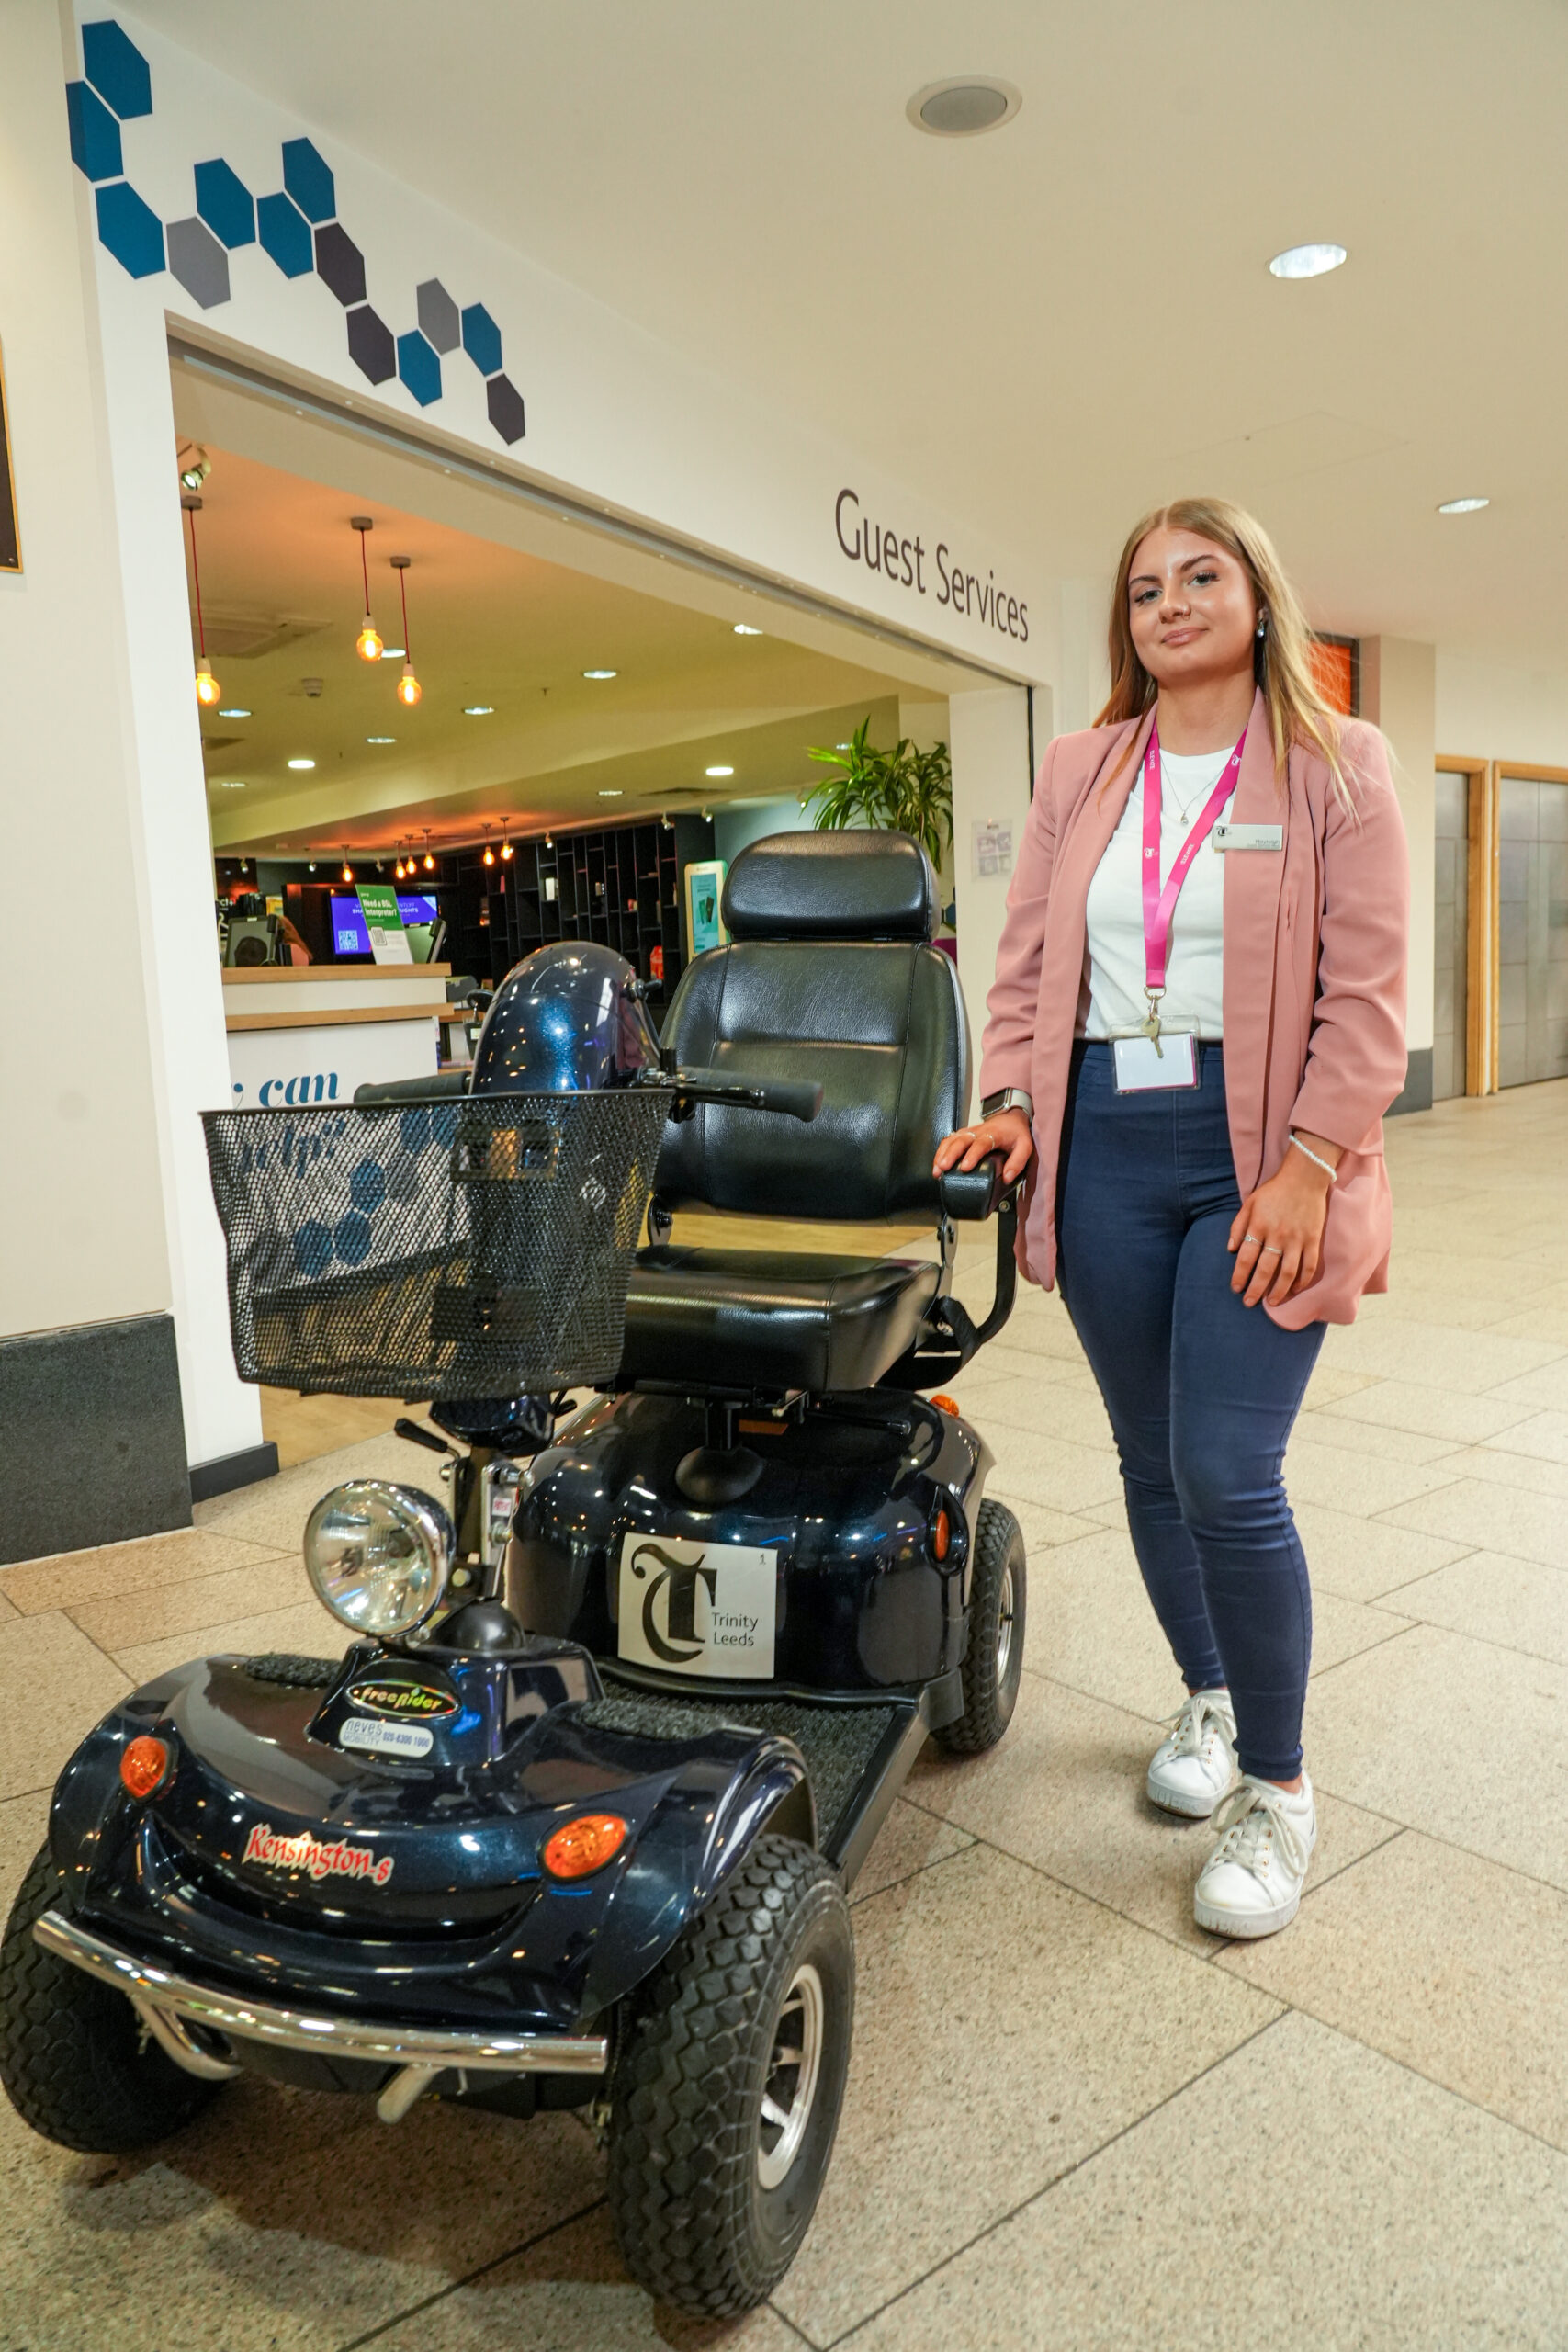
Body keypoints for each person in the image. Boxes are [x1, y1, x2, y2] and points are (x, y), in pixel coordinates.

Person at [935, 497, 1409, 1939]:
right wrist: (1013, 1097)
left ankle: (1281, 1786)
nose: (1174, 602)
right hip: (1105, 1148)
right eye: (1147, 587)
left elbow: (1372, 990)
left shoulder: (1338, 761)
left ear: (1259, 598)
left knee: (1226, 1467)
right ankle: (1207, 1702)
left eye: (1203, 576)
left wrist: (1311, 1164)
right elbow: (1024, 968)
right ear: (1127, 627)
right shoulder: (1084, 769)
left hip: (1262, 1149)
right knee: (1151, 1460)